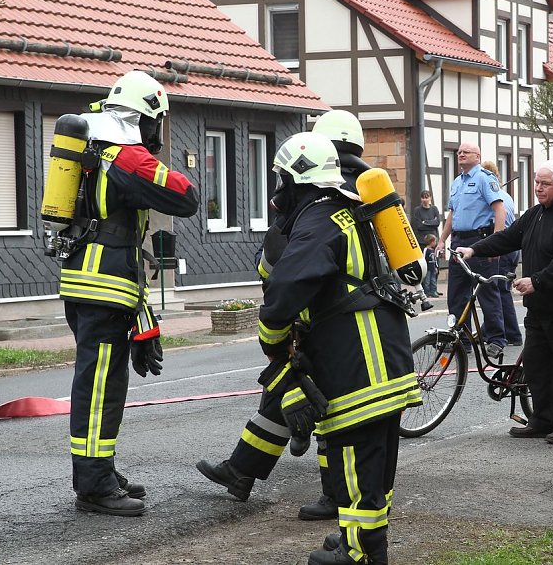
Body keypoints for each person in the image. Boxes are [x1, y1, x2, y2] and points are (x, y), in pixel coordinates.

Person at [196, 109, 373, 523]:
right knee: (288, 394)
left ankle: (328, 493)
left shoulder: (315, 194)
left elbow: (278, 258)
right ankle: (244, 470)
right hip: (341, 310)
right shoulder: (365, 189)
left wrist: (275, 309)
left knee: (320, 401)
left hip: (319, 315)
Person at [58, 70, 199, 516]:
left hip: (88, 280)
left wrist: (143, 323)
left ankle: (99, 468)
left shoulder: (95, 145)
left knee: (105, 383)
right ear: (146, 119)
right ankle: (95, 483)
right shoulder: (126, 158)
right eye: (156, 125)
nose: (156, 135)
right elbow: (185, 195)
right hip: (104, 285)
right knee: (100, 387)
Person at [457, 160, 553, 445]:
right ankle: (542, 420)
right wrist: (475, 249)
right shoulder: (536, 214)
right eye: (536, 182)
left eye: (545, 184)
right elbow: (508, 237)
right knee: (538, 366)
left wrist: (536, 281)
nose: (538, 188)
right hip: (538, 306)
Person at [437, 143, 506, 358]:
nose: (460, 154)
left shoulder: (485, 178)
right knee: (456, 294)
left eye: (465, 152)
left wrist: (496, 242)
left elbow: (499, 209)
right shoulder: (457, 183)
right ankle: (461, 338)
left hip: (480, 241)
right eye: (458, 152)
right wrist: (441, 240)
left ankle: (496, 339)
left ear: (478, 156)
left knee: (487, 291)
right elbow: (452, 215)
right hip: (459, 242)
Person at [481, 160, 522, 346]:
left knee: (499, 291)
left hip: (503, 249)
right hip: (512, 249)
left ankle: (512, 334)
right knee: (500, 290)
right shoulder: (505, 195)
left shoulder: (494, 198)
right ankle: (491, 329)